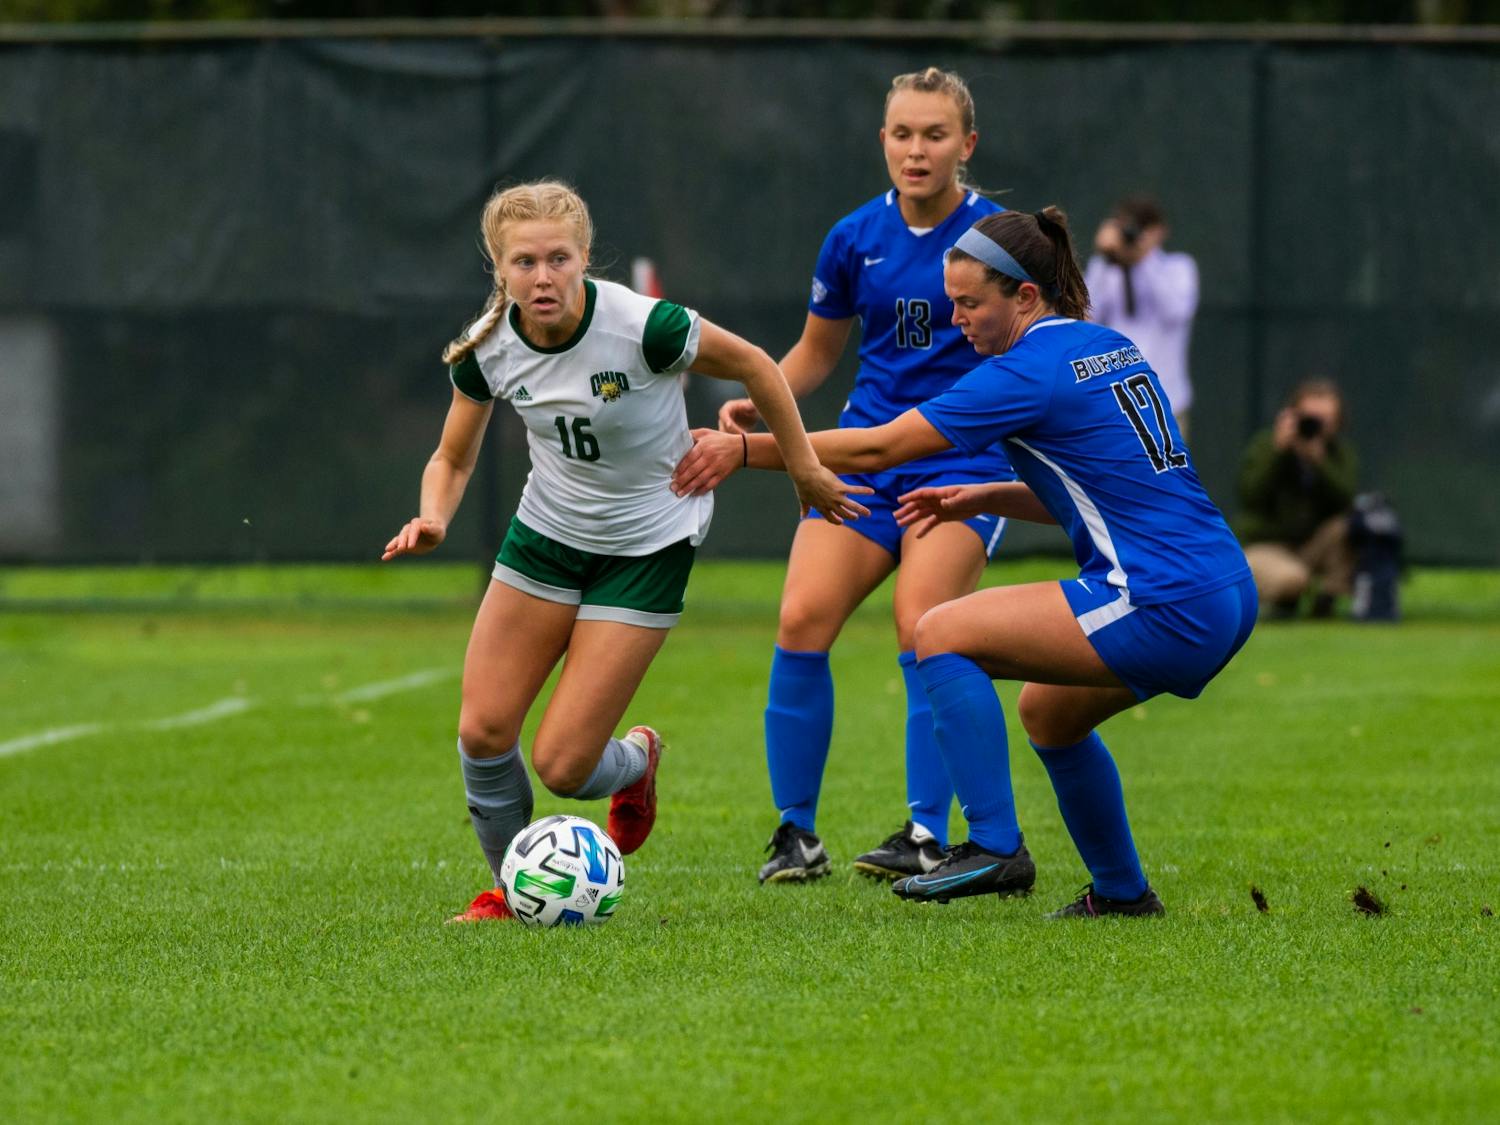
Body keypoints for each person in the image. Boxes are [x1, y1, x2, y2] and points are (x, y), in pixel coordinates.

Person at [675, 207, 1257, 917]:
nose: (957, 320)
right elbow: (1108, 491)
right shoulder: (1107, 346)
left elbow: (880, 446)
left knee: (940, 631)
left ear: (1026, 297)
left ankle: (994, 845)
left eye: (971, 303)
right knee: (1049, 714)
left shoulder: (1026, 370)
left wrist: (746, 451)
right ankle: (1123, 893)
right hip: (1224, 589)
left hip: (1162, 599)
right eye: (952, 302)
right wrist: (989, 494)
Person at [383, 180, 865, 923]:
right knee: (482, 732)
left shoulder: (645, 327)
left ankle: (637, 759)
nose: (542, 277)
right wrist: (433, 515)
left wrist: (800, 467)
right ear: (498, 267)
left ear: (583, 260)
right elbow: (450, 457)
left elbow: (759, 367)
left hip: (645, 546)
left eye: (558, 259)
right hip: (545, 540)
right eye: (523, 263)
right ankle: (515, 894)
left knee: (565, 767)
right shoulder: (489, 349)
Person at [715, 67, 1017, 885]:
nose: (917, 150)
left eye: (935, 134)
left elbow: (1036, 348)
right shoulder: (853, 237)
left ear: (968, 144)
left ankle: (925, 832)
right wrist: (763, 400)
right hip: (863, 458)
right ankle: (796, 834)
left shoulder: (1001, 240)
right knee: (802, 617)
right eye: (902, 134)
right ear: (881, 140)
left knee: (925, 625)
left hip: (963, 460)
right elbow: (817, 354)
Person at [1235, 378, 1359, 618]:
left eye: (1325, 421)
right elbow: (1250, 494)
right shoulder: (1266, 446)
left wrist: (1319, 464)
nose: (1316, 428)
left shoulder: (1338, 454)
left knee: (1348, 527)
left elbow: (1346, 499)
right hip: (1266, 544)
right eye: (1310, 419)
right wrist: (1278, 452)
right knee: (1293, 580)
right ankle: (1279, 598)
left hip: (1310, 545)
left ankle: (1327, 599)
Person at [1084, 196, 1199, 437]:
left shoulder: (1177, 268)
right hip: (1114, 398)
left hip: (1167, 397)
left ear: (1159, 231)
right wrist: (1107, 257)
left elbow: (1175, 310)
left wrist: (1143, 259)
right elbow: (1086, 316)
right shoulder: (1106, 270)